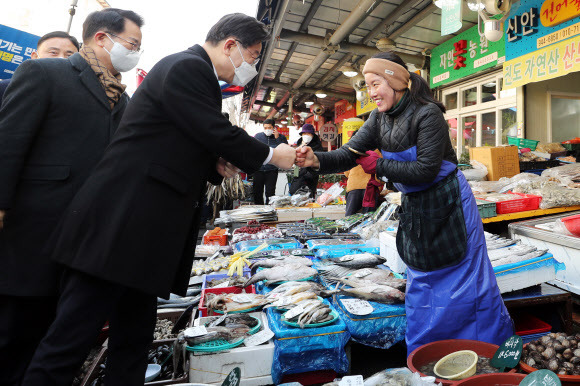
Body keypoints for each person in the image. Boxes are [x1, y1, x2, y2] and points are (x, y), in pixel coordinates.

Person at [22, 13, 295, 385]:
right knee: (68, 341)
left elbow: (178, 141)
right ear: (230, 45)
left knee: (133, 341)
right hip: (117, 228)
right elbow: (213, 129)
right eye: (252, 54)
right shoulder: (187, 67)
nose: (251, 65)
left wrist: (214, 164)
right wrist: (269, 155)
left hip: (141, 239)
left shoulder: (192, 73)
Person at [296, 51, 513, 355]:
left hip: (449, 203)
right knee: (422, 280)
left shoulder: (428, 114)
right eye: (367, 86)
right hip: (417, 206)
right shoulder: (378, 119)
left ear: (396, 80)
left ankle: (485, 350)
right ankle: (430, 353)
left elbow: (425, 168)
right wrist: (316, 159)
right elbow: (349, 154)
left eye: (375, 84)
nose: (371, 94)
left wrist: (379, 166)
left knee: (464, 282)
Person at [0, 8, 143, 385]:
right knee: (17, 330)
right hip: (35, 225)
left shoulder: (122, 99)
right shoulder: (46, 73)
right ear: (100, 38)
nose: (135, 53)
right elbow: (10, 142)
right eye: (132, 44)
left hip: (83, 235)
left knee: (58, 333)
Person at [0, 31, 80, 100]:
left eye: (69, 55)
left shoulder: (79, 97)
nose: (61, 58)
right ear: (35, 56)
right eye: (53, 52)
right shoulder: (6, 88)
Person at [252, 118, 288, 204]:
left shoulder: (281, 137)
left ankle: (269, 212)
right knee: (257, 192)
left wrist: (277, 138)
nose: (267, 130)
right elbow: (252, 149)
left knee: (270, 193)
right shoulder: (258, 136)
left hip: (272, 170)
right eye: (265, 128)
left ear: (274, 128)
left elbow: (285, 150)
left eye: (269, 127)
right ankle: (259, 212)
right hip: (258, 170)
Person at [289, 123, 323, 198]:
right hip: (298, 173)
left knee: (309, 196)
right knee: (294, 192)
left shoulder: (317, 145)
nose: (306, 135)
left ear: (313, 135)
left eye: (308, 133)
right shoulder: (299, 143)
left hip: (311, 175)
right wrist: (302, 145)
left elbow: (319, 159)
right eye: (304, 133)